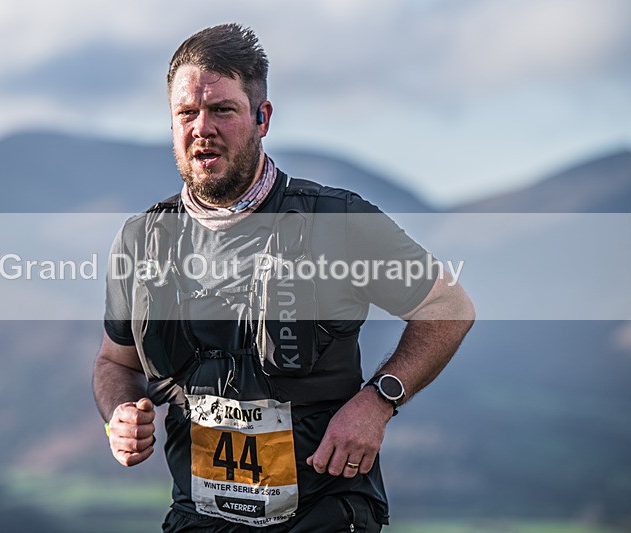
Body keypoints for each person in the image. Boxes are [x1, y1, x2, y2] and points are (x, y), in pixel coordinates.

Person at [93, 23, 475, 532]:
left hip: (322, 512)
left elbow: (448, 308)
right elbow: (114, 360)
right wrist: (119, 413)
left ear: (261, 117)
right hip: (198, 517)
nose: (201, 128)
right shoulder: (142, 240)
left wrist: (378, 401)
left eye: (222, 110)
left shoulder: (335, 222)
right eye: (186, 113)